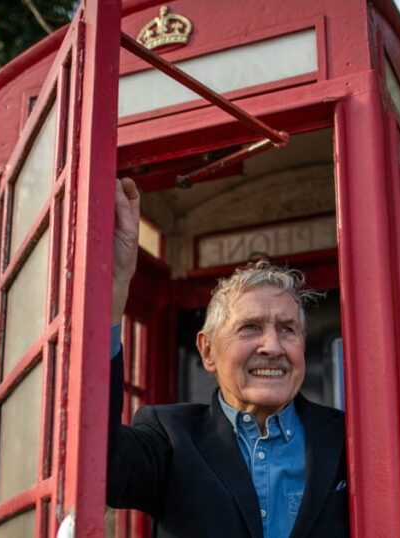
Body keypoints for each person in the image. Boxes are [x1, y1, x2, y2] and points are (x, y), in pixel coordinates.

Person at [106, 177, 349, 538]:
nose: (272, 346)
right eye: (250, 327)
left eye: (287, 329)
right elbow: (102, 466)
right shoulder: (171, 437)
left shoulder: (348, 436)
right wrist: (110, 291)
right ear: (207, 350)